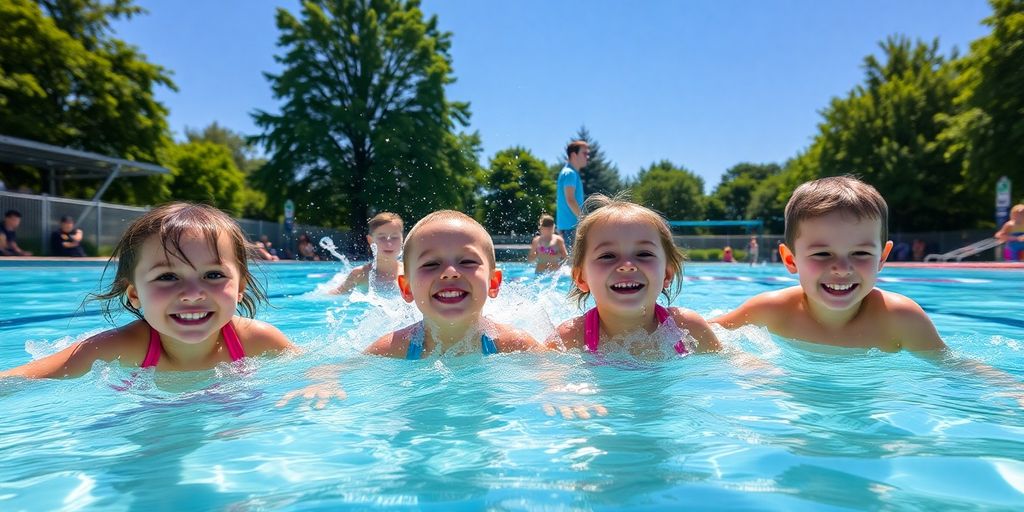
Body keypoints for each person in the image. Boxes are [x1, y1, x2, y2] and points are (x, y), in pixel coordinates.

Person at [0, 202, 295, 378]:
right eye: (167, 277)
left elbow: (316, 367)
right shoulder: (118, 348)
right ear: (135, 294)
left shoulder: (258, 339)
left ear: (241, 287)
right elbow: (19, 380)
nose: (193, 293)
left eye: (213, 274)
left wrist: (320, 381)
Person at [279, 210, 539, 408]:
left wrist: (557, 389)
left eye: (467, 261)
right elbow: (338, 367)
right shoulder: (397, 346)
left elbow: (553, 372)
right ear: (406, 288)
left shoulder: (511, 342)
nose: (449, 273)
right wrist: (325, 379)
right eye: (430, 264)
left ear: (494, 283)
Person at [712, 175, 945, 352]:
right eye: (822, 254)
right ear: (791, 260)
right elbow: (703, 333)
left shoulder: (901, 319)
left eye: (861, 253)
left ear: (881, 258)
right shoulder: (772, 310)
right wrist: (743, 362)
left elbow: (955, 370)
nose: (842, 269)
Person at [549, 194, 721, 357]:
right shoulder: (569, 340)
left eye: (644, 254)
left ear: (667, 274)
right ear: (581, 278)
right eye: (607, 256)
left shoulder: (686, 328)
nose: (627, 266)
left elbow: (728, 365)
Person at [330, 212, 404, 294]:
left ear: (402, 239)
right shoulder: (360, 274)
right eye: (382, 237)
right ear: (370, 240)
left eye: (394, 237)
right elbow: (335, 295)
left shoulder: (410, 272)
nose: (389, 243)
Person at [556, 140, 589, 252]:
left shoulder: (570, 172)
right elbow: (570, 200)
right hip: (571, 227)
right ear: (574, 155)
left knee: (571, 263)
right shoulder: (570, 173)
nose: (587, 157)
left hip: (568, 226)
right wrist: (585, 220)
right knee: (573, 264)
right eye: (584, 153)